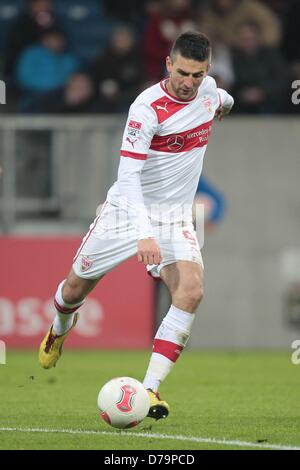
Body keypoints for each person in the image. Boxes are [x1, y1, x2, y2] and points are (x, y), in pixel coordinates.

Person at [39, 31, 234, 420]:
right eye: (182, 73)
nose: (188, 82)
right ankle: (60, 327)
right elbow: (128, 177)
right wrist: (143, 233)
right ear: (168, 64)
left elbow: (224, 100)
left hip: (175, 217)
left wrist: (222, 105)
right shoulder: (146, 108)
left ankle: (150, 390)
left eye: (197, 75)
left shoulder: (211, 93)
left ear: (207, 71)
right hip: (126, 213)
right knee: (74, 287)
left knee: (191, 291)